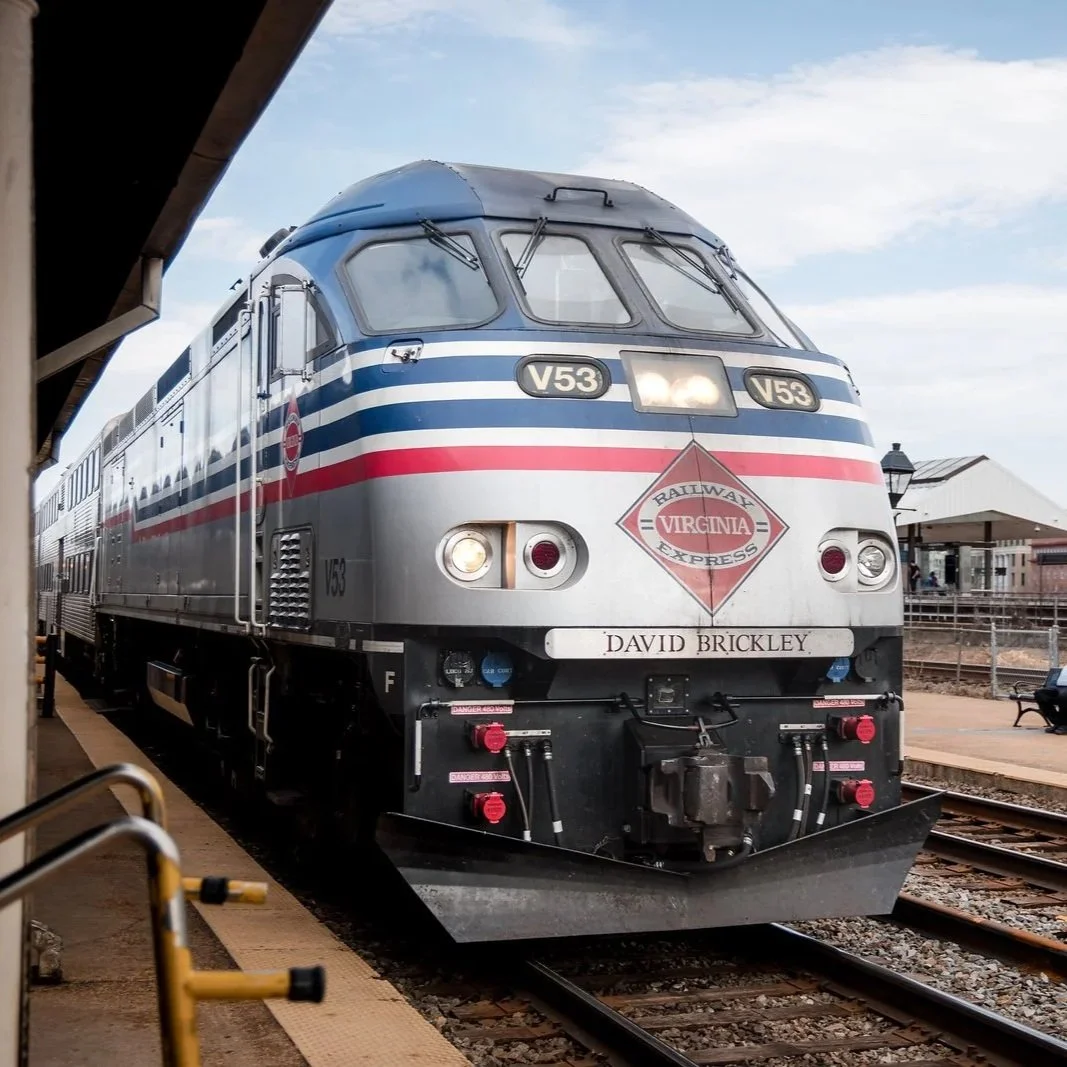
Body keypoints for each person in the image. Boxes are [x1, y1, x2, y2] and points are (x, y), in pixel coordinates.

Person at [1034, 668, 1067, 734]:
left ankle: (1065, 724)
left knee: (1064, 696)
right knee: (1040, 694)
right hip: (1057, 687)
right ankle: (1058, 722)